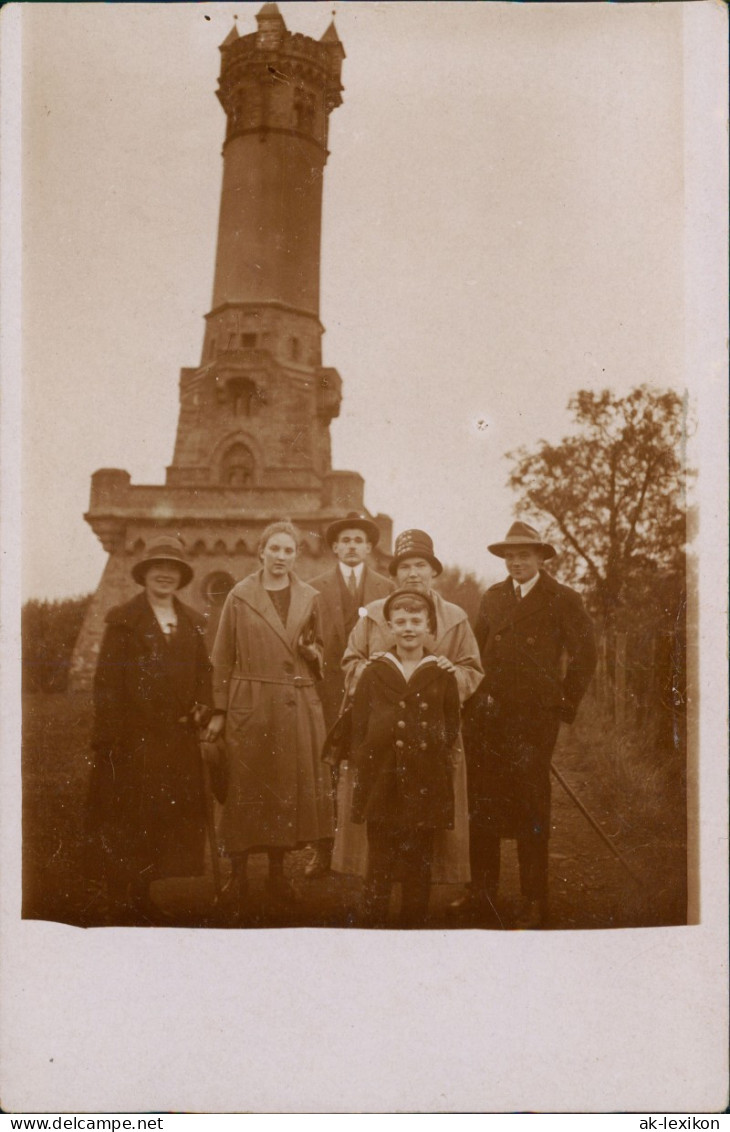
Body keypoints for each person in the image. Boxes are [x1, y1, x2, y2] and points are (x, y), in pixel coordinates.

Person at [459, 520, 598, 929]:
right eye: (510, 555)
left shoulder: (563, 598)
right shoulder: (493, 597)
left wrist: (563, 702)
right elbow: (477, 653)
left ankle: (534, 900)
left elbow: (585, 655)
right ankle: (481, 892)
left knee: (530, 806)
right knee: (482, 802)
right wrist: (473, 698)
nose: (516, 562)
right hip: (487, 717)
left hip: (533, 720)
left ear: (540, 557)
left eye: (524, 554)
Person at [333, 529, 483, 897]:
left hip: (430, 741)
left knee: (424, 830)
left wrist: (450, 676)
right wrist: (375, 675)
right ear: (395, 573)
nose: (413, 573)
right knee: (379, 827)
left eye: (421, 565)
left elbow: (473, 670)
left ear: (434, 571)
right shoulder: (372, 616)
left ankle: (418, 897)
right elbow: (350, 662)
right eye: (405, 567)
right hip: (381, 740)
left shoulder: (455, 617)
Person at [202, 520, 334, 916]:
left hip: (294, 702)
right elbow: (223, 656)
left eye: (288, 550)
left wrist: (314, 654)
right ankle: (238, 874)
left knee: (283, 792)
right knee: (244, 790)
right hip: (251, 703)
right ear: (260, 551)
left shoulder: (309, 596)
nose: (281, 557)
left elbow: (320, 650)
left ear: (296, 555)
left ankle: (277, 873)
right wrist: (221, 711)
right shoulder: (240, 596)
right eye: (274, 549)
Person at [85, 535, 212, 923]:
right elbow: (107, 685)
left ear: (181, 576)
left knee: (163, 821)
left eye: (172, 569)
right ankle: (122, 896)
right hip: (133, 741)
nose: (164, 575)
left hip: (176, 741)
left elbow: (204, 677)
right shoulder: (124, 621)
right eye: (157, 568)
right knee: (128, 819)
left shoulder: (192, 622)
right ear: (144, 575)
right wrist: (111, 742)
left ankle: (142, 895)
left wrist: (202, 709)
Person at [349, 588, 461, 928]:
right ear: (389, 626)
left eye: (416, 621)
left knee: (418, 860)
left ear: (429, 626)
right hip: (382, 778)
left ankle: (414, 926)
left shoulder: (442, 673)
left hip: (425, 779)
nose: (408, 628)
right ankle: (373, 923)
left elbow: (450, 725)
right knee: (379, 858)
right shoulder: (374, 670)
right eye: (400, 622)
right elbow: (359, 724)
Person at [306, 511, 392, 876]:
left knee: (370, 766)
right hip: (326, 691)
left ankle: (367, 851)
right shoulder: (312, 588)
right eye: (346, 541)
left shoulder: (387, 588)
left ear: (370, 547)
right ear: (335, 548)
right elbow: (304, 637)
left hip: (374, 695)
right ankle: (323, 850)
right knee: (325, 770)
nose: (352, 546)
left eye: (359, 540)